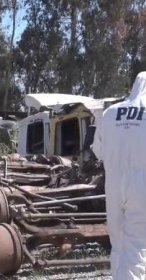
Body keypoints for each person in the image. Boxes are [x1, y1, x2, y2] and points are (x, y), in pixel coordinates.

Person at [93, 71, 146, 280]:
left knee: (118, 240)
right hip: (142, 184)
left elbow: (98, 150)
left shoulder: (110, 113)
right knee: (137, 242)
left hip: (114, 184)